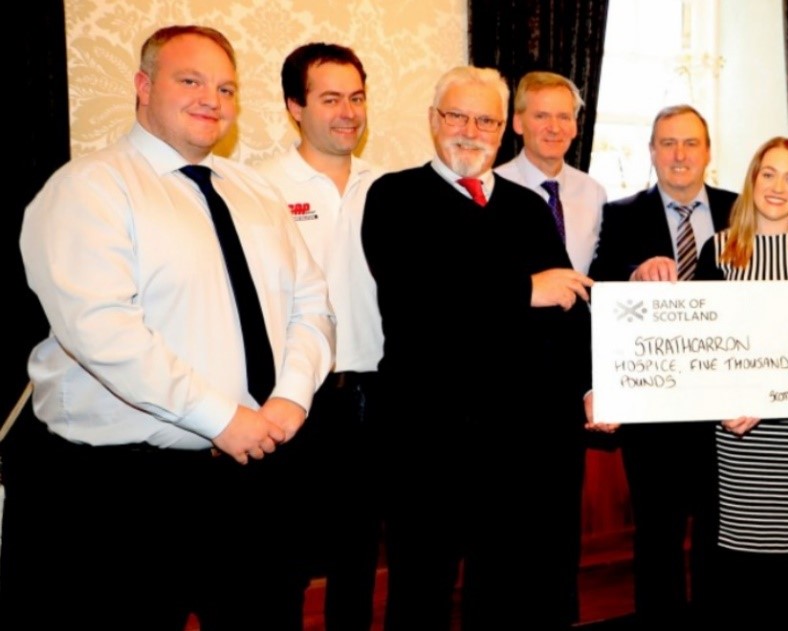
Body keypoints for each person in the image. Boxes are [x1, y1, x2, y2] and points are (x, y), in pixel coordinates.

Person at [0, 25, 333, 630]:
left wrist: (290, 398)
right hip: (121, 495)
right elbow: (105, 333)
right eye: (192, 80)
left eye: (226, 87)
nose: (213, 98)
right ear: (142, 86)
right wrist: (223, 418)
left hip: (257, 475)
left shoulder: (254, 190)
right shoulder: (87, 189)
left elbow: (311, 302)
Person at [359, 65, 591, 631]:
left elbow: (563, 305)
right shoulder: (394, 196)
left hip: (519, 441)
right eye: (457, 115)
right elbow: (417, 300)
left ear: (501, 128)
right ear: (433, 121)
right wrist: (523, 290)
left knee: (507, 588)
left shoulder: (527, 207)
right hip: (428, 437)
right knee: (421, 590)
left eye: (484, 118)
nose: (470, 129)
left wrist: (591, 383)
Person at [587, 104, 736, 630]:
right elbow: (599, 281)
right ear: (651, 152)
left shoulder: (740, 210)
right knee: (658, 535)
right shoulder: (623, 212)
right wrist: (633, 273)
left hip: (729, 408)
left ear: (707, 152)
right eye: (667, 143)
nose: (679, 154)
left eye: (690, 143)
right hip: (656, 408)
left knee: (724, 533)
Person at [693, 136, 788, 628]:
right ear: (752, 179)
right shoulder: (718, 251)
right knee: (737, 577)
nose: (778, 187)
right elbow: (701, 348)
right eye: (769, 174)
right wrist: (726, 400)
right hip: (738, 440)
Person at [254, 42, 383, 631]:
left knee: (360, 555)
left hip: (379, 395)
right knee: (282, 561)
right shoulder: (256, 186)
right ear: (293, 106)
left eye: (356, 98)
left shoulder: (390, 188)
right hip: (295, 398)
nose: (347, 113)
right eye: (330, 98)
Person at [496, 71, 607, 275]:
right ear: (518, 123)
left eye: (564, 117)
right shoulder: (490, 189)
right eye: (541, 116)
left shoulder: (594, 193)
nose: (554, 128)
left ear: (575, 127)